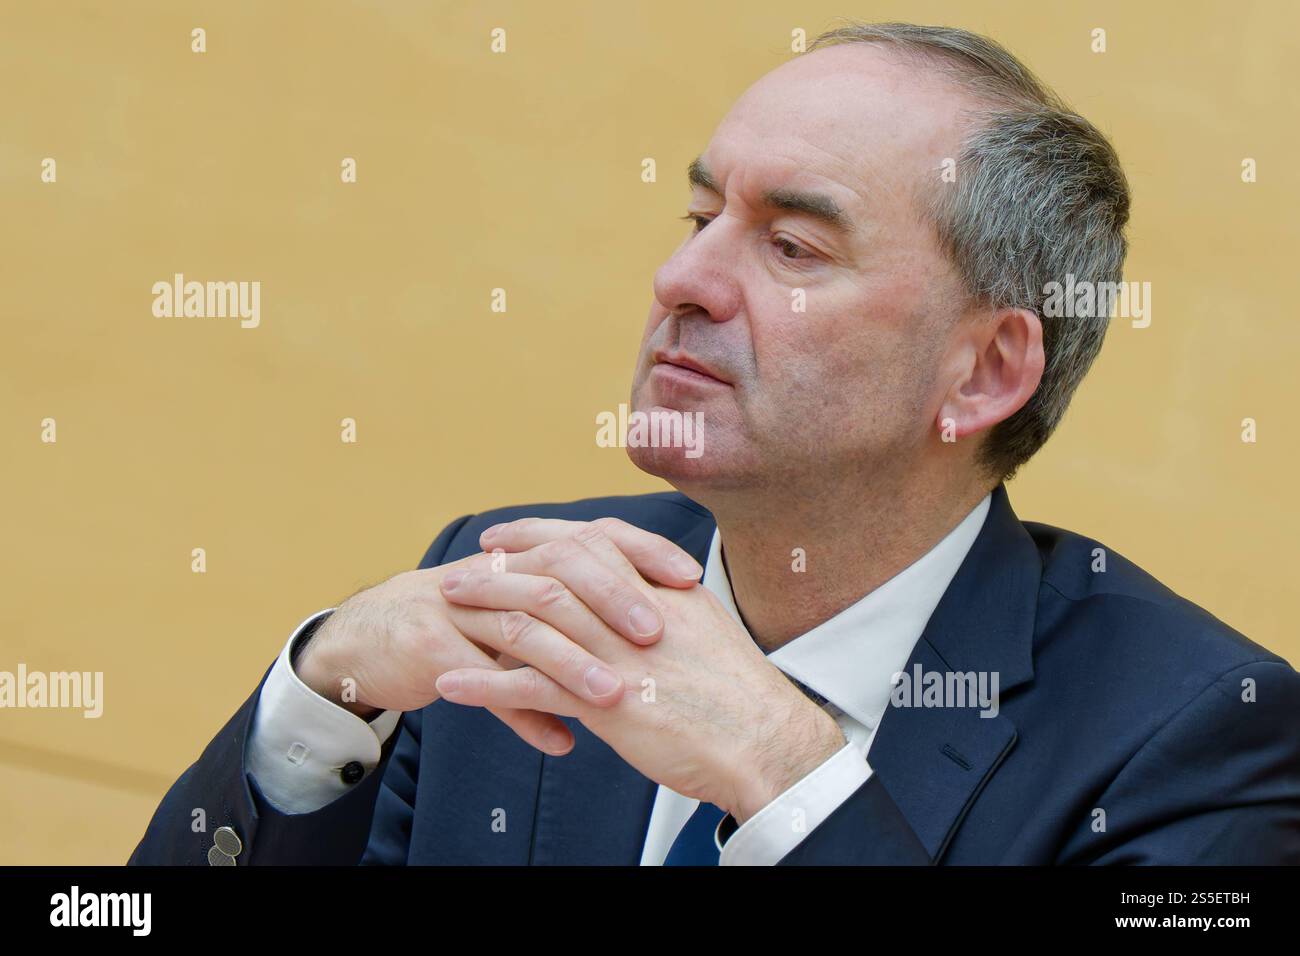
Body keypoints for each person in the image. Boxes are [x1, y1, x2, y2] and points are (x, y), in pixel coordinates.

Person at [129, 21, 1300, 866]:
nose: (680, 278)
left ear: (984, 370)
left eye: (791, 246)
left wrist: (793, 785)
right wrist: (323, 688)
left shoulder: (1194, 737)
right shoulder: (522, 586)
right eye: (698, 219)